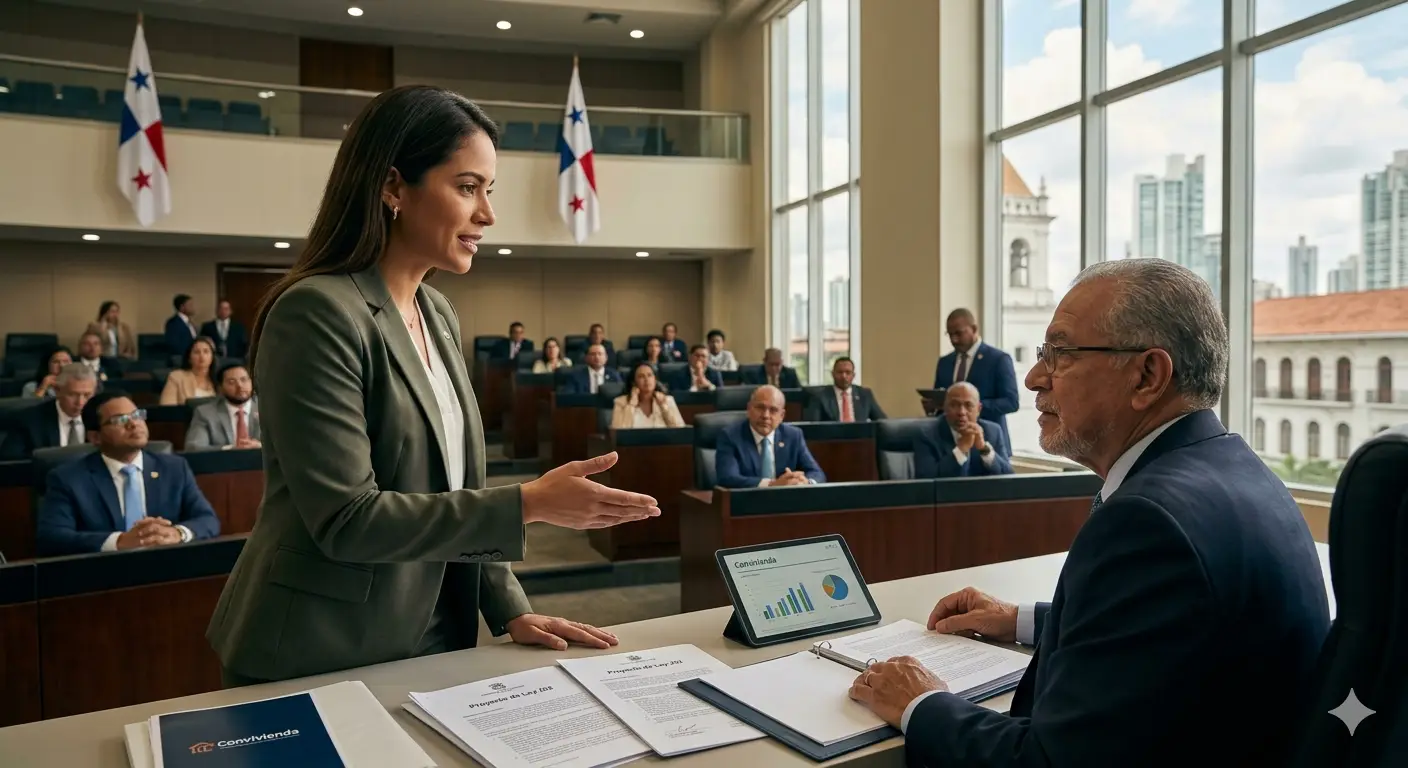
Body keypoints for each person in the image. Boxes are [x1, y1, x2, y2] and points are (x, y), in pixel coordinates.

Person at [206, 86, 659, 686]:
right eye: (468, 187)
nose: (487, 214)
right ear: (393, 188)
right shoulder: (316, 312)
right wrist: (529, 504)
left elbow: (452, 490)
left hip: (436, 636)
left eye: (488, 191)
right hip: (321, 645)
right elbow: (347, 518)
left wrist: (510, 610)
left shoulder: (437, 311)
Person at [849, 260, 1329, 767]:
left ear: (1147, 375)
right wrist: (1020, 620)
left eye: (1061, 353)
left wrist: (921, 703)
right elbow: (1161, 627)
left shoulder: (1148, 523)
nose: (1034, 378)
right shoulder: (1238, 471)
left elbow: (1050, 762)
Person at [36, 392, 221, 556]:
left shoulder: (174, 468)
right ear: (95, 437)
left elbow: (208, 520)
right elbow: (53, 537)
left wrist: (177, 533)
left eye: (137, 415)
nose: (134, 424)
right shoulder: (68, 478)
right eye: (120, 420)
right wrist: (119, 541)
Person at [929, 308, 1019, 457]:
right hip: (950, 446)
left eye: (958, 333)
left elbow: (1011, 402)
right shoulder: (945, 362)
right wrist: (935, 405)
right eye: (950, 334)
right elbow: (942, 400)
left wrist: (971, 408)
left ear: (974, 329)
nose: (954, 340)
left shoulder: (998, 360)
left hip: (989, 443)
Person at [714, 385, 825, 488]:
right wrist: (772, 484)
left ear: (781, 416)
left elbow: (817, 473)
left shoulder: (793, 435)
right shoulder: (730, 436)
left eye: (773, 410)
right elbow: (728, 478)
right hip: (747, 503)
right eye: (760, 408)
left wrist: (805, 482)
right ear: (749, 409)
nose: (765, 416)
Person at [913, 382, 1011, 478]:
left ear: (978, 409)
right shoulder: (927, 435)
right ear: (944, 407)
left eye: (968, 405)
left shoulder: (993, 431)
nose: (961, 412)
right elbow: (927, 481)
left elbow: (1009, 477)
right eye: (954, 405)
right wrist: (961, 449)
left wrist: (984, 449)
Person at [3, 363, 97, 459]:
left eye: (87, 395)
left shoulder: (100, 419)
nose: (80, 402)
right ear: (57, 390)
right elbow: (12, 463)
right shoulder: (28, 421)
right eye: (73, 394)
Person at [185, 362, 260, 450]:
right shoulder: (205, 413)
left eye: (244, 380)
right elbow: (193, 447)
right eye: (232, 382)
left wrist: (260, 446)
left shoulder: (269, 410)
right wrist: (231, 449)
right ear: (220, 388)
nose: (240, 385)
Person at [804, 356, 886, 422]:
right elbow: (813, 425)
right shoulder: (820, 396)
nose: (844, 376)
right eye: (840, 372)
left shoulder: (864, 394)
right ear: (833, 374)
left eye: (848, 372)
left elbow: (882, 421)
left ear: (853, 375)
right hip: (832, 439)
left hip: (860, 439)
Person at [611, 362, 684, 429]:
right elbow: (618, 432)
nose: (646, 379)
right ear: (633, 382)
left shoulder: (667, 400)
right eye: (641, 376)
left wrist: (663, 407)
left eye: (650, 375)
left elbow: (680, 430)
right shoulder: (620, 402)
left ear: (655, 380)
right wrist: (631, 404)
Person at [160, 336, 217, 405]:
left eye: (206, 351)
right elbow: (167, 408)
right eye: (197, 352)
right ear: (189, 358)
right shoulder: (176, 378)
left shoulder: (219, 380)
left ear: (212, 357)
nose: (202, 356)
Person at [165, 293, 199, 358]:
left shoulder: (190, 323)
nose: (193, 307)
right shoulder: (173, 323)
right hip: (182, 359)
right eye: (190, 305)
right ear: (182, 307)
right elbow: (174, 345)